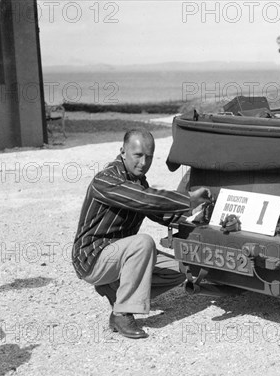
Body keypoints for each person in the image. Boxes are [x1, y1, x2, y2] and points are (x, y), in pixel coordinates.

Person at [72, 128, 210, 339]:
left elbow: (155, 210)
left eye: (149, 156)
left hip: (118, 256)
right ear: (123, 152)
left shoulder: (138, 183)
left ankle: (116, 292)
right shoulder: (106, 181)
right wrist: (188, 199)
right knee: (143, 243)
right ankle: (122, 314)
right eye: (138, 155)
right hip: (92, 257)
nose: (144, 162)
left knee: (183, 269)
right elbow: (146, 199)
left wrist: (195, 219)